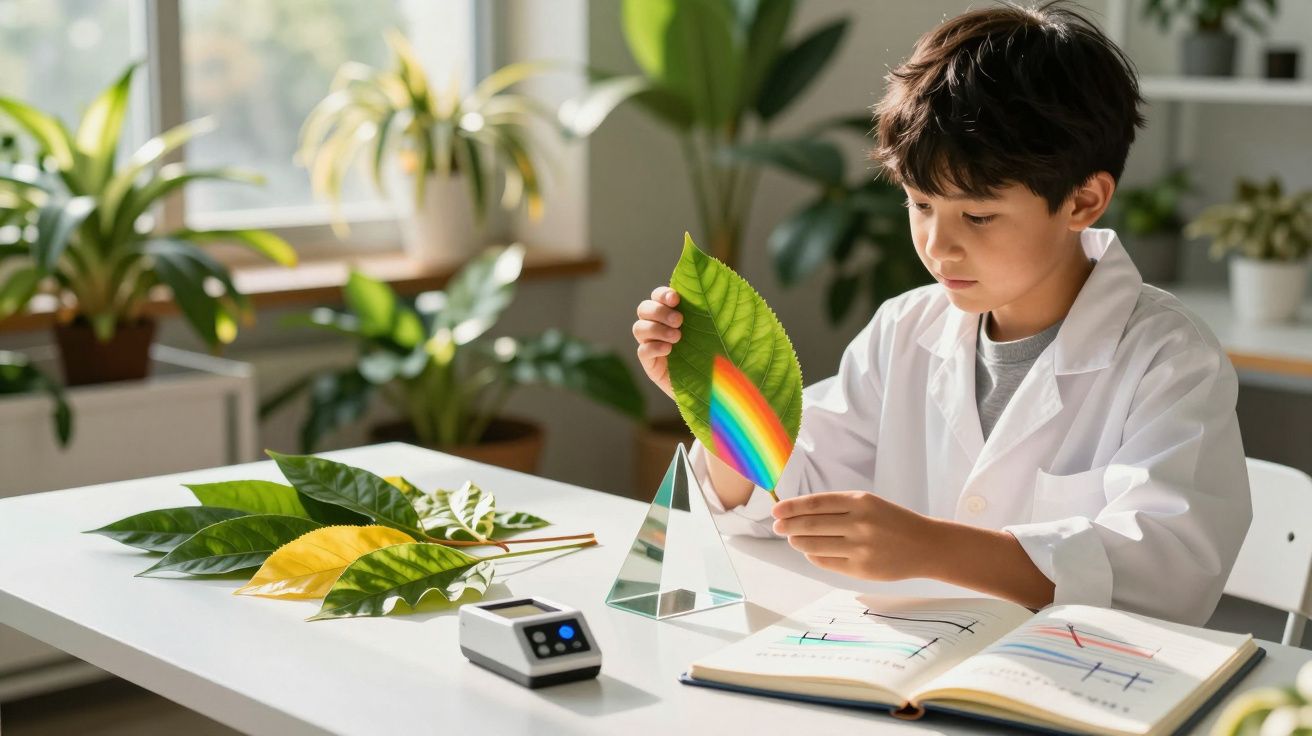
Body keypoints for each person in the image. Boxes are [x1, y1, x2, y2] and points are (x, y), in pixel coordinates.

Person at [631, 1, 1250, 626]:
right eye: (920, 205)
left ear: (1084, 200)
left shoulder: (1168, 358)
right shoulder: (905, 329)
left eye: (977, 216)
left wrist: (930, 548)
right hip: (909, 675)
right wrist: (719, 406)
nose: (938, 245)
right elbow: (785, 498)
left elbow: (1163, 572)